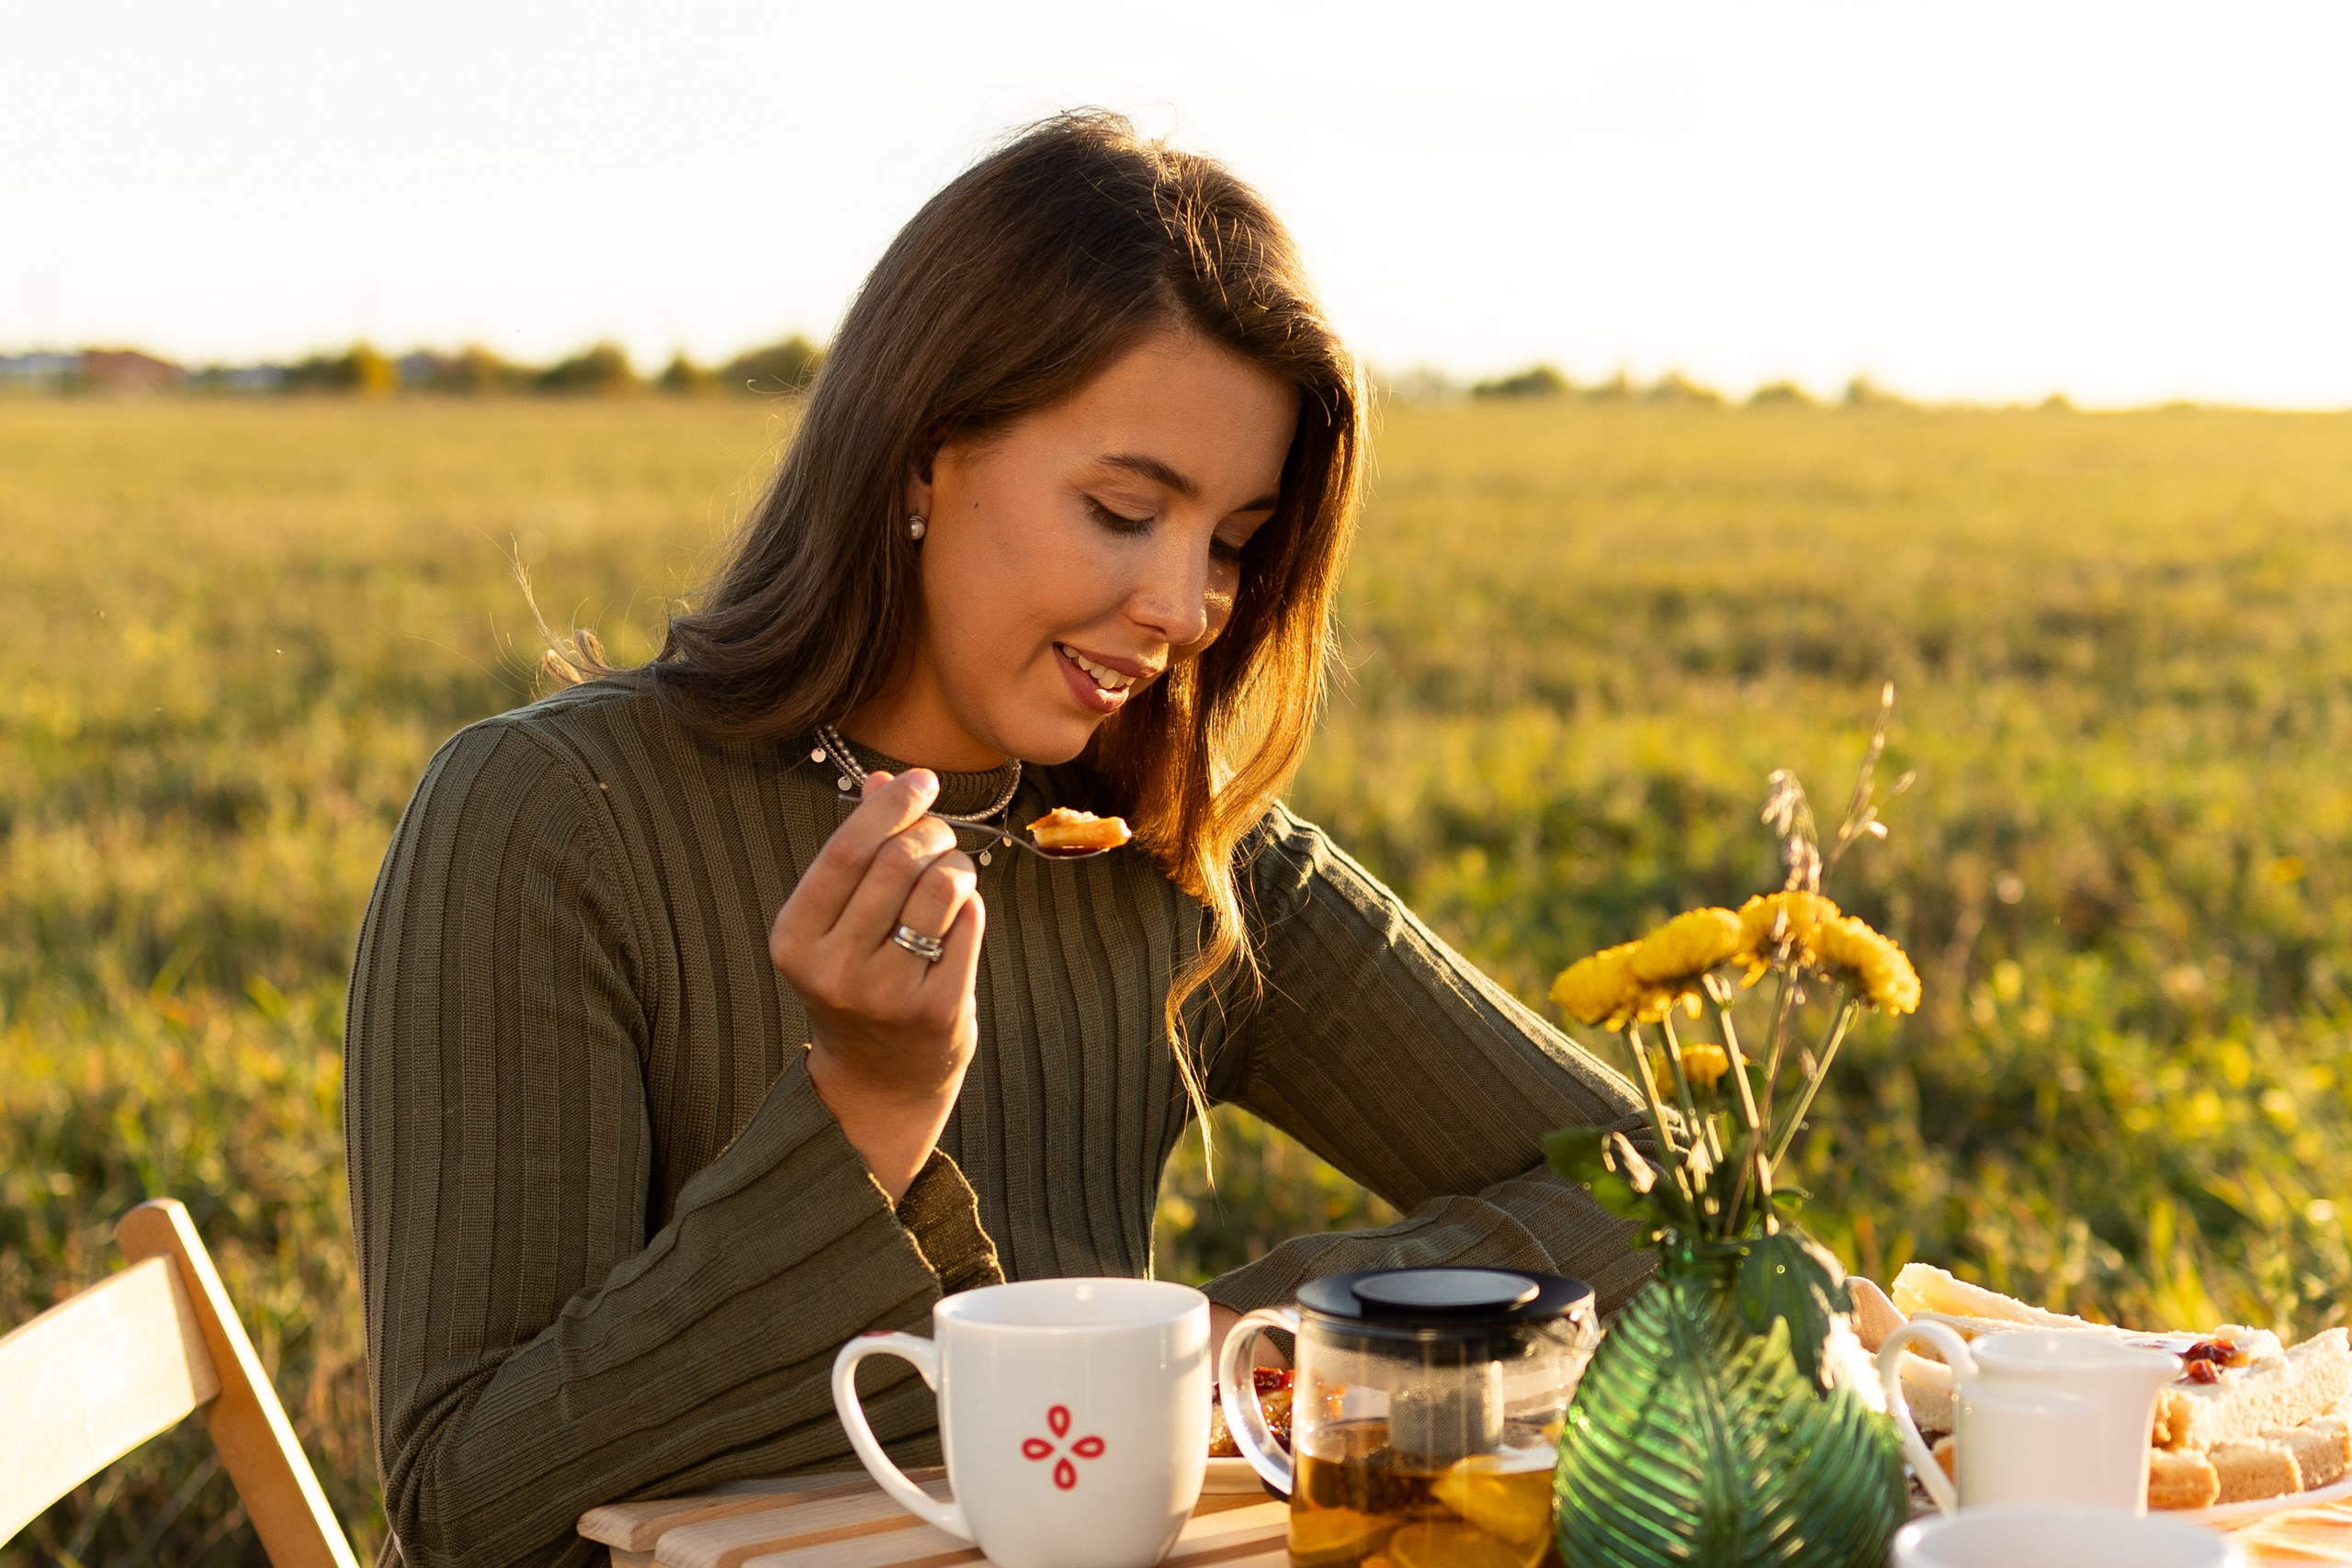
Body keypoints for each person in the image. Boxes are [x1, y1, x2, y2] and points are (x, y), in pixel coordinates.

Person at [345, 111, 1651, 1568]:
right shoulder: (549, 821)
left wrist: (1255, 1340)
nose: (1186, 605)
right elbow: (465, 1503)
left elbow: (1663, 1191)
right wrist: (868, 1113)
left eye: (1230, 541)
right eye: (1123, 510)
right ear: (920, 454)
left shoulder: (1181, 855)